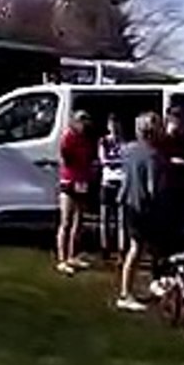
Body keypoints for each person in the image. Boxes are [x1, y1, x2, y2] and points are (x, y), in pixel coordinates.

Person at [116, 112, 165, 312]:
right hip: (142, 205)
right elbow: (153, 187)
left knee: (143, 247)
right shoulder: (153, 155)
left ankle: (154, 284)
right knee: (136, 249)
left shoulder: (127, 150)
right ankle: (125, 294)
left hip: (127, 201)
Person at [150, 106, 184, 296]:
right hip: (166, 191)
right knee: (162, 237)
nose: (179, 123)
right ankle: (157, 276)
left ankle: (174, 275)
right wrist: (179, 162)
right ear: (169, 120)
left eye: (181, 119)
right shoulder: (162, 140)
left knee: (182, 236)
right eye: (175, 119)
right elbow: (162, 161)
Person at [56, 110, 96, 276]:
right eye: (80, 120)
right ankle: (62, 259)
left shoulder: (86, 139)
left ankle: (73, 255)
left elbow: (89, 158)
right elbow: (66, 158)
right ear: (74, 121)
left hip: (83, 180)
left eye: (85, 121)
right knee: (66, 221)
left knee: (79, 220)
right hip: (69, 180)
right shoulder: (68, 137)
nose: (83, 124)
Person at [98, 114, 126, 259]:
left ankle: (121, 249)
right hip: (107, 182)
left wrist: (115, 161)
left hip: (121, 182)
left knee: (121, 219)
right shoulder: (103, 141)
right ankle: (105, 248)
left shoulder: (125, 142)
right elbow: (103, 160)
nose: (114, 126)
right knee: (105, 218)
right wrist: (117, 161)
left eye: (116, 123)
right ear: (108, 126)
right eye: (111, 124)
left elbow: (126, 160)